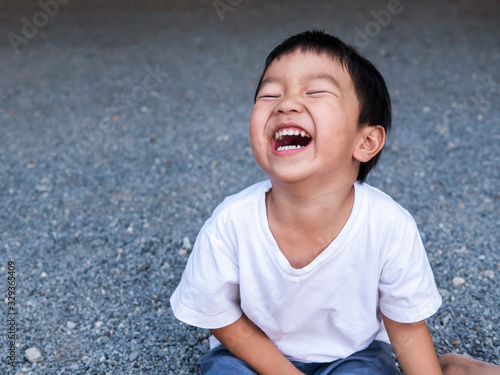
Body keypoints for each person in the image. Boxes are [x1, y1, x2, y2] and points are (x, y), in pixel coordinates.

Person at [170, 30, 500, 375]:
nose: (286, 103)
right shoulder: (231, 223)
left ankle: (452, 368)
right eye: (270, 94)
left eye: (315, 91)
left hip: (353, 354)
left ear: (367, 141)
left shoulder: (389, 225)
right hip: (250, 356)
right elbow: (219, 317)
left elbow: (405, 326)